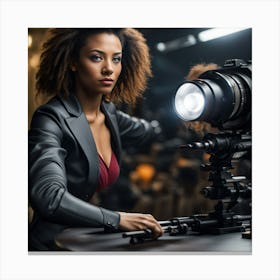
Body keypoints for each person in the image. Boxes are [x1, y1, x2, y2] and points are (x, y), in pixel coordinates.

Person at [28, 28, 164, 251]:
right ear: (74, 62)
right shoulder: (51, 118)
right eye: (96, 57)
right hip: (50, 247)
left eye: (116, 59)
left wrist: (191, 105)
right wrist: (117, 219)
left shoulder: (109, 114)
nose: (109, 68)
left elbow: (148, 130)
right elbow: (48, 197)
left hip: (88, 242)